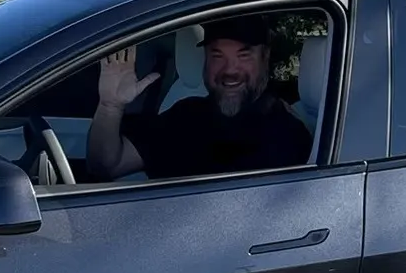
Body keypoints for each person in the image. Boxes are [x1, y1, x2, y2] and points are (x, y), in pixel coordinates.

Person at [86, 11, 312, 181]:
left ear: (265, 58)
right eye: (217, 55)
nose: (230, 70)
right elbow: (107, 166)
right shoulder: (185, 116)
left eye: (244, 56)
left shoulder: (286, 133)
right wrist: (110, 106)